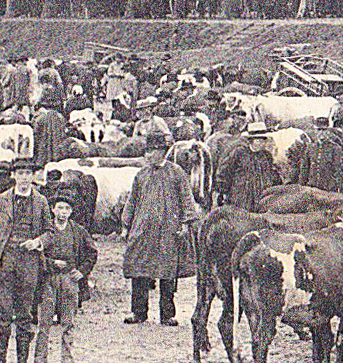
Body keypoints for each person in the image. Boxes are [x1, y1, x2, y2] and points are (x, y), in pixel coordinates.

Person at [0, 159, 53, 363]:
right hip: (5, 262)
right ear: (14, 176)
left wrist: (38, 242)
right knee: (3, 314)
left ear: (33, 176)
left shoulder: (41, 201)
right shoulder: (1, 200)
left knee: (25, 315)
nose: (24, 178)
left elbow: (50, 232)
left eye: (27, 173)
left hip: (29, 263)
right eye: (20, 173)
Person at [118, 133, 198, 326]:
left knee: (167, 272)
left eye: (151, 151)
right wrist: (126, 225)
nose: (147, 155)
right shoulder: (141, 175)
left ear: (162, 152)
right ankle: (138, 312)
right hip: (143, 230)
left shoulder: (176, 173)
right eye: (146, 152)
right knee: (139, 270)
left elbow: (186, 199)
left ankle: (167, 314)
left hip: (167, 231)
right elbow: (132, 201)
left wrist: (185, 224)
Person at [32, 189, 97, 363]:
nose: (63, 212)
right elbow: (36, 254)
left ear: (71, 211)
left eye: (67, 209)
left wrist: (82, 271)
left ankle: (68, 360)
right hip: (48, 279)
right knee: (44, 321)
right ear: (53, 210)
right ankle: (39, 359)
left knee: (68, 322)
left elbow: (92, 253)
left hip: (69, 280)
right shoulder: (46, 231)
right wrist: (51, 263)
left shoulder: (78, 231)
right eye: (60, 208)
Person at [214, 123, 281, 211]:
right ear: (251, 140)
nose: (261, 143)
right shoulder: (239, 153)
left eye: (263, 140)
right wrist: (222, 191)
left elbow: (272, 174)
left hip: (261, 198)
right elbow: (225, 172)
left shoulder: (266, 156)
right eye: (258, 140)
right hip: (241, 197)